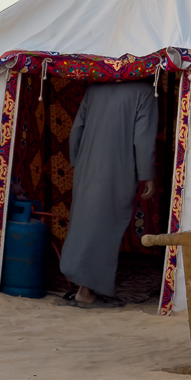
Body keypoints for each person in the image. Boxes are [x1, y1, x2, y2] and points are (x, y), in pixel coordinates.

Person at [60, 79, 159, 307]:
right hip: (117, 167)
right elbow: (143, 137)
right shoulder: (145, 91)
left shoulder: (94, 89)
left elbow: (77, 129)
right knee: (104, 225)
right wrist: (147, 174)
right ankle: (86, 291)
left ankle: (78, 280)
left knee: (84, 221)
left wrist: (78, 161)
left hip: (87, 164)